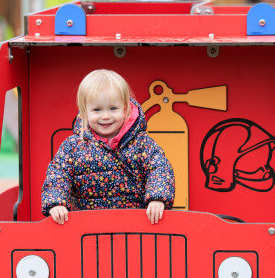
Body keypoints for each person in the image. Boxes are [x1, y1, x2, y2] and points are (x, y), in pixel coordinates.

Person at [41, 69, 175, 224]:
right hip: (88, 226)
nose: (105, 116)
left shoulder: (141, 144)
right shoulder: (73, 146)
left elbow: (159, 168)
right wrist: (57, 203)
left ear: (126, 109)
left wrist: (157, 198)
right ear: (84, 113)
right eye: (97, 110)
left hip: (135, 224)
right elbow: (58, 175)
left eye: (113, 108)